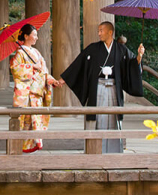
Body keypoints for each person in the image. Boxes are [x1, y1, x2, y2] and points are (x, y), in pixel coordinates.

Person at [59, 21, 144, 153]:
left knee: (113, 117)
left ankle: (114, 150)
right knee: (97, 117)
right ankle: (95, 149)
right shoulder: (93, 48)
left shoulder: (121, 49)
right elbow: (79, 63)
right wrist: (64, 78)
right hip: (97, 88)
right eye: (98, 31)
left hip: (114, 89)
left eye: (101, 31)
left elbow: (132, 64)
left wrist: (139, 55)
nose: (98, 33)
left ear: (110, 32)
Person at [9, 23, 62, 153]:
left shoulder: (36, 52)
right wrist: (31, 67)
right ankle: (22, 146)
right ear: (26, 36)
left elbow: (43, 71)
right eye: (34, 35)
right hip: (27, 93)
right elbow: (15, 69)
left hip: (37, 92)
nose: (36, 38)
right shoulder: (20, 53)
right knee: (26, 120)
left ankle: (33, 144)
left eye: (36, 35)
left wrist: (51, 80)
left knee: (36, 119)